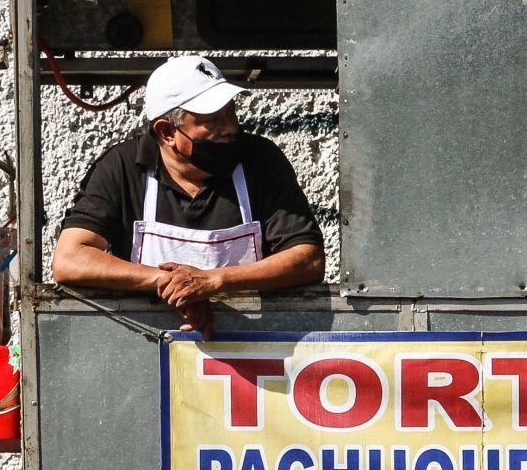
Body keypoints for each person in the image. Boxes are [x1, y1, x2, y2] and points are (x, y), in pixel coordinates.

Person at [53, 54, 325, 333]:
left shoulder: (259, 160)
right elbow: (69, 259)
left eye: (230, 112)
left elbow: (307, 258)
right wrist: (166, 282)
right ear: (167, 131)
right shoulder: (123, 167)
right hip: (147, 347)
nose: (229, 128)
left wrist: (214, 282)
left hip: (251, 349)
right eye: (213, 120)